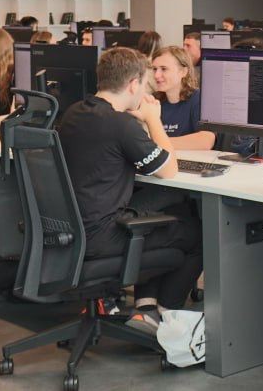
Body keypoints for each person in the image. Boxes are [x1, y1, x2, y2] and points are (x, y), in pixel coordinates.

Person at [56, 47, 202, 334]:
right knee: (196, 232)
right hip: (103, 234)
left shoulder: (74, 112)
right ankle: (167, 314)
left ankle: (146, 306)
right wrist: (152, 119)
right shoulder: (121, 124)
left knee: (174, 204)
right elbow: (169, 169)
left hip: (73, 227)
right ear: (134, 84)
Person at [151, 46, 215, 150]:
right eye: (154, 69)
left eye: (164, 69)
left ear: (183, 72)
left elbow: (206, 141)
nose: (156, 75)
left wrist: (158, 143)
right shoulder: (153, 101)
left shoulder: (198, 99)